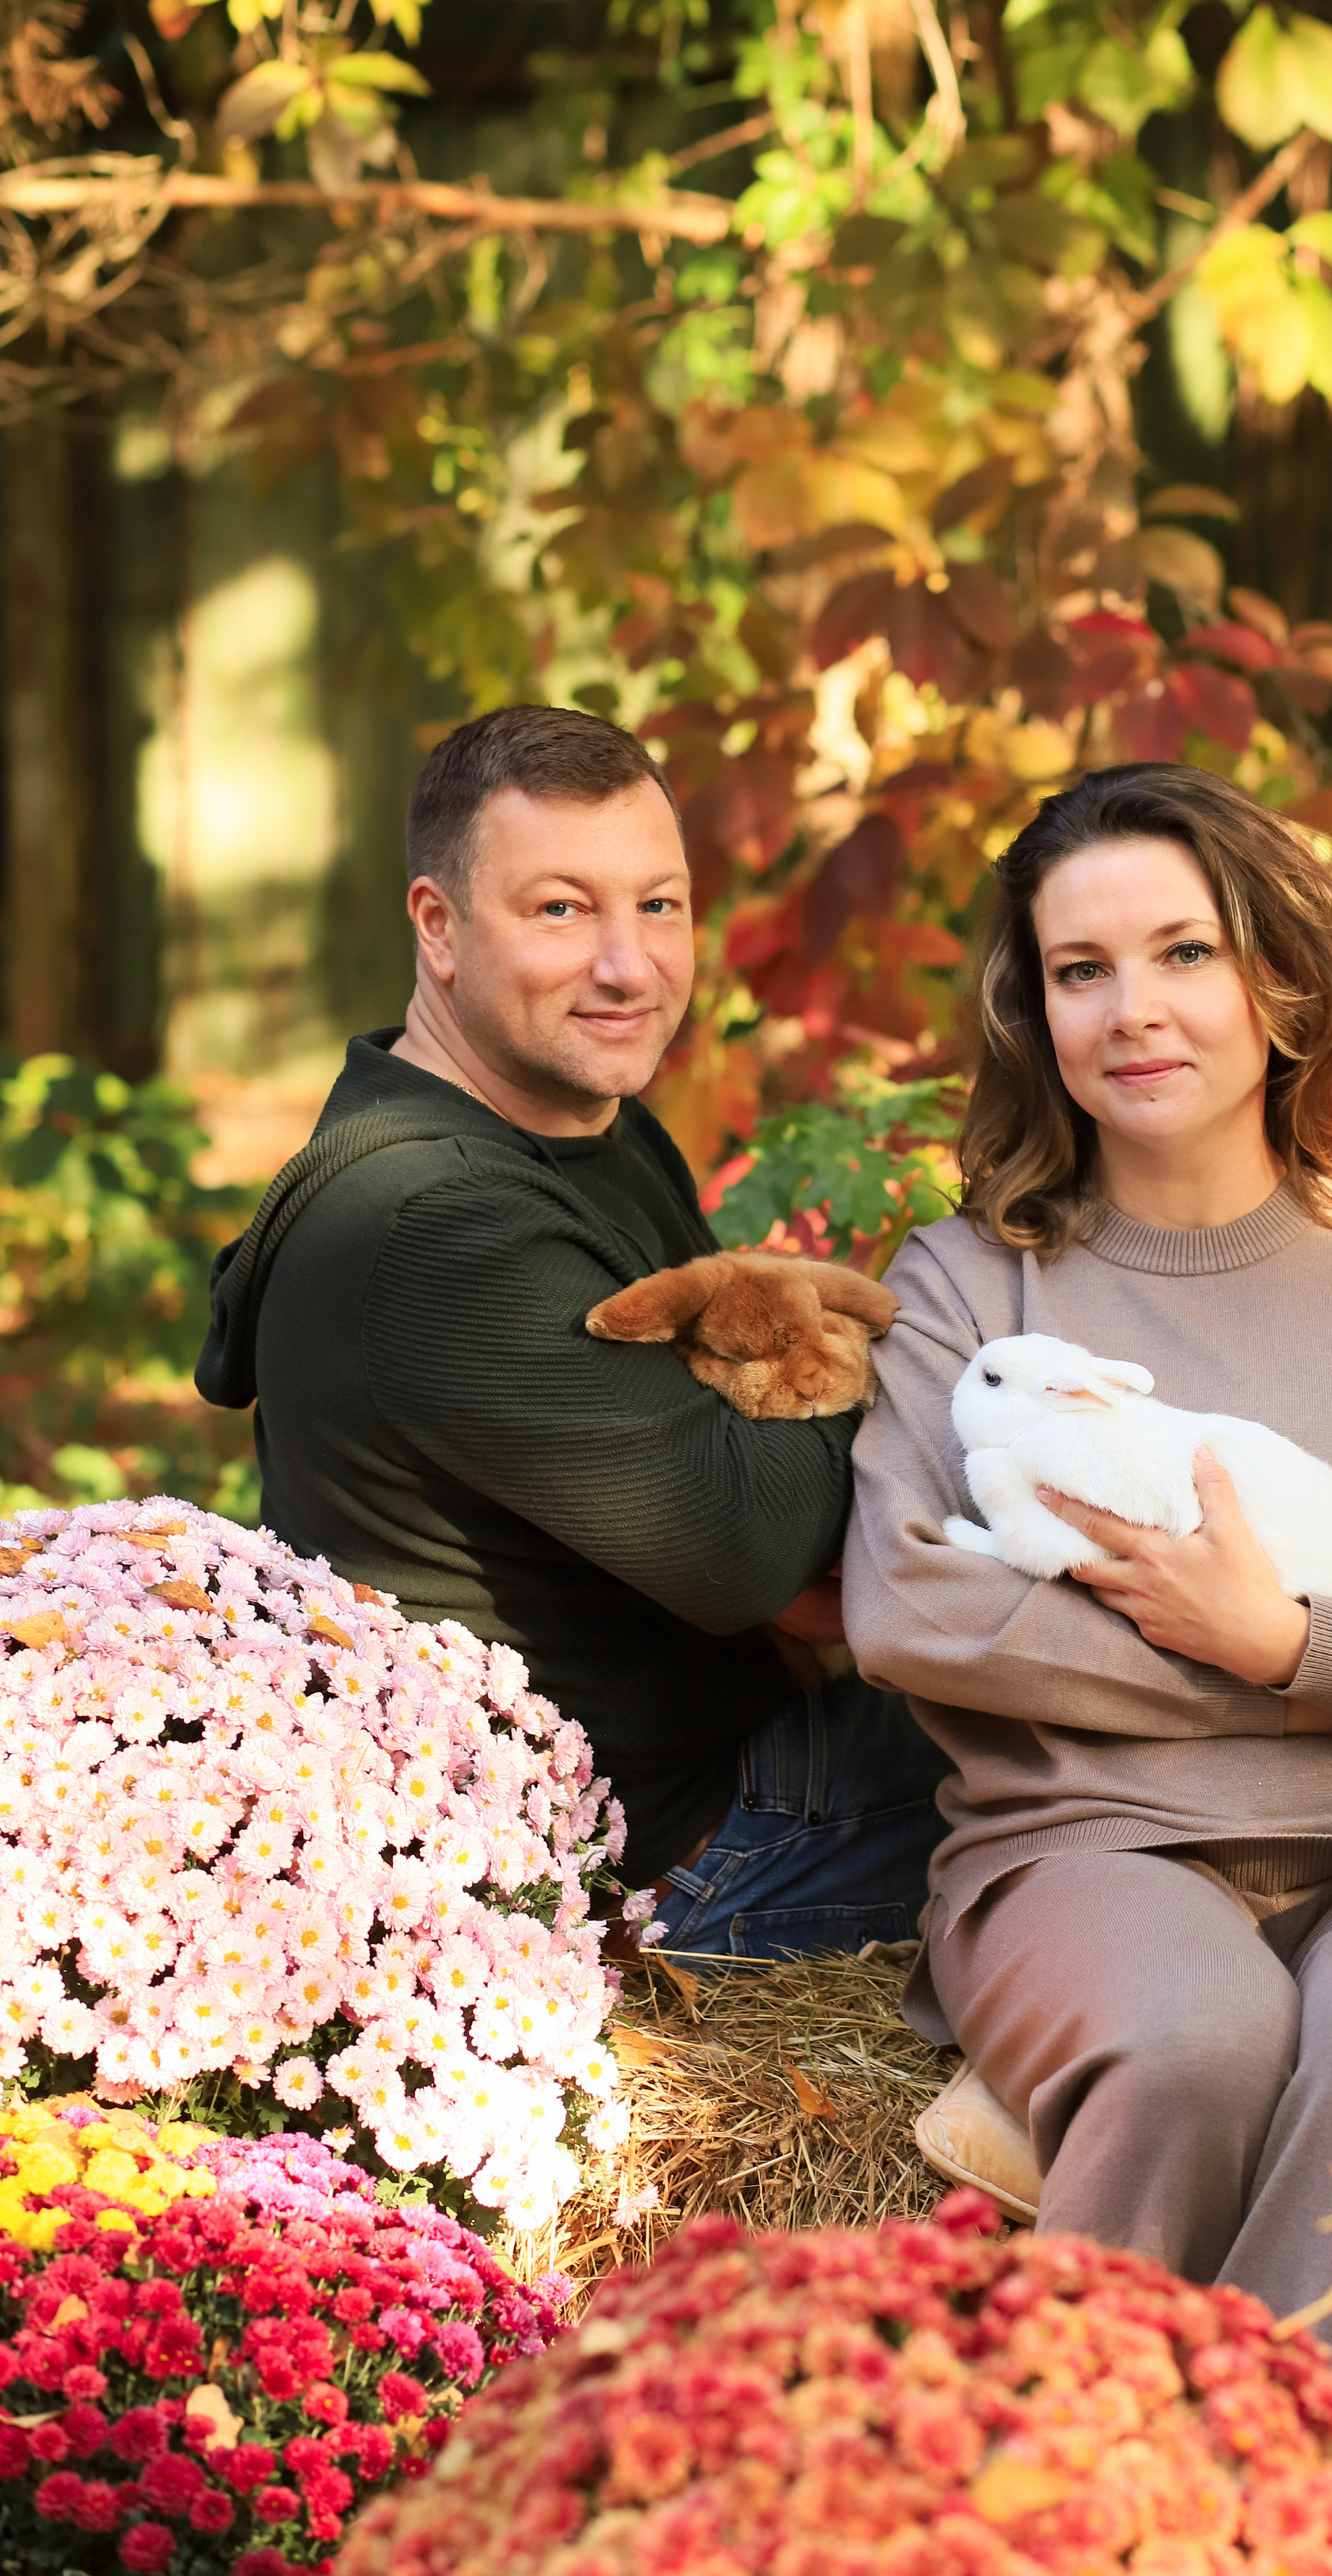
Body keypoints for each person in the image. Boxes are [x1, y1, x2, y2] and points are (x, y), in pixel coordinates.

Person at [842, 763, 1332, 2324]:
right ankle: (1089, 2488)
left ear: (1281, 984)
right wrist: (1275, 1669)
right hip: (1092, 1847)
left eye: (1183, 953)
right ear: (1037, 1017)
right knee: (1186, 2031)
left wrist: (1295, 1642)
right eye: (1081, 971)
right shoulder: (966, 1290)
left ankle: (1301, 2524)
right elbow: (913, 1607)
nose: (1131, 1008)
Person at [197, 703, 945, 1957]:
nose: (630, 966)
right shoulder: (434, 1223)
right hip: (682, 1857)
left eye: (659, 905)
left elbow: (740, 1394)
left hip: (741, 1742)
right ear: (437, 927)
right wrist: (855, 1349)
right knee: (1160, 1747)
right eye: (561, 910)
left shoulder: (586, 1125)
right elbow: (755, 1546)